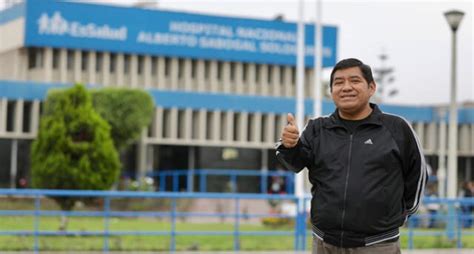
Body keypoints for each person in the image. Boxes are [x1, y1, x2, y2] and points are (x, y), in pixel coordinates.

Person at [276, 58, 427, 254]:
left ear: (371, 87)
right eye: (338, 82)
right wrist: (289, 146)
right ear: (331, 91)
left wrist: (401, 214)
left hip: (378, 244)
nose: (346, 87)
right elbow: (295, 164)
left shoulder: (397, 128)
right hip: (325, 242)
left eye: (354, 81)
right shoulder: (317, 128)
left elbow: (417, 175)